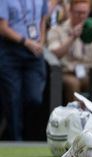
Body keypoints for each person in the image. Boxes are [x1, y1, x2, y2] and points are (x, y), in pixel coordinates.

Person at [47, 0, 92, 103]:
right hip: (66, 72)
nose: (81, 16)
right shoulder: (57, 30)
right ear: (70, 11)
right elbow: (54, 54)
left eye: (84, 13)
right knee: (73, 83)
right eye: (78, 12)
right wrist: (72, 38)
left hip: (87, 73)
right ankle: (75, 115)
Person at [0, 0, 48, 140]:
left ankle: (28, 136)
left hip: (34, 52)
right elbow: (2, 27)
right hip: (11, 50)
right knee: (13, 100)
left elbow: (43, 19)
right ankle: (16, 141)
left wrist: (42, 41)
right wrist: (26, 42)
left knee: (35, 98)